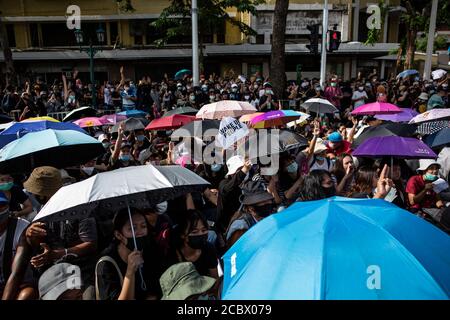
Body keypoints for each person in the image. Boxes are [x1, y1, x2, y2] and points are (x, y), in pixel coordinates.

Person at [95, 208, 162, 300]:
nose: (139, 232)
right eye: (132, 228)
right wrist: (130, 271)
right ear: (119, 235)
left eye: (143, 226)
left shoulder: (151, 249)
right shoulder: (106, 262)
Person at [0, 192, 35, 299]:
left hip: (19, 283)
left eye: (2, 206)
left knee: (27, 294)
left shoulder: (23, 228)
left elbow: (16, 273)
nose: (0, 210)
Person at [167, 209, 218, 278]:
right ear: (183, 235)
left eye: (204, 230)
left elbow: (215, 278)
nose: (201, 234)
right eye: (194, 232)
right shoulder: (173, 256)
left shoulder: (209, 249)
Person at [226, 180, 275, 248]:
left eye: (268, 200)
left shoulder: (270, 217)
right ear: (251, 209)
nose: (268, 204)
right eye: (263, 202)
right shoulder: (241, 226)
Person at [216, 156, 251, 235]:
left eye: (244, 168)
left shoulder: (249, 183)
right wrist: (244, 170)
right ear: (232, 173)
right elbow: (227, 190)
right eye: (240, 169)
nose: (245, 171)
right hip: (226, 227)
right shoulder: (224, 183)